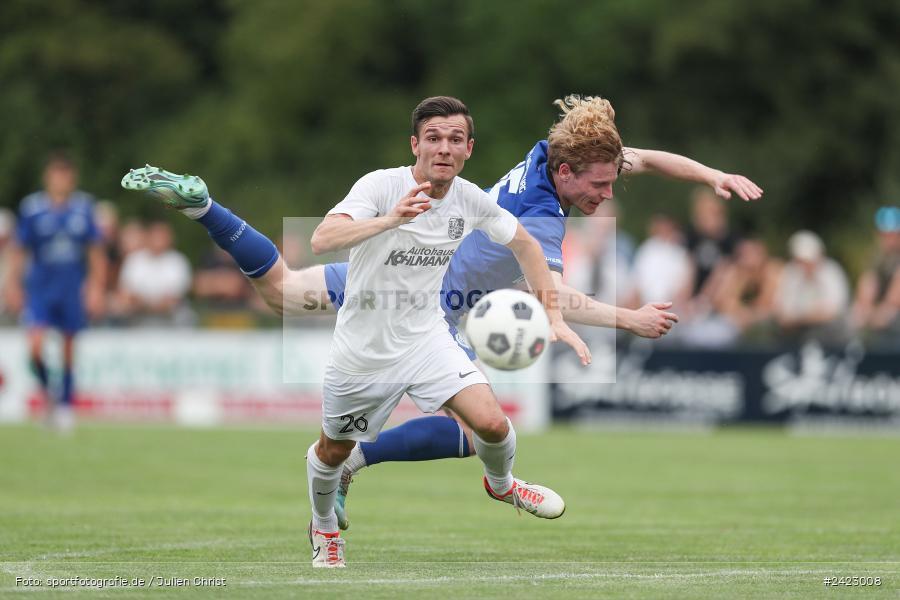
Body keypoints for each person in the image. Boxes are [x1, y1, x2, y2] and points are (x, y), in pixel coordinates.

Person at [122, 94, 763, 540]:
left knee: (282, 292)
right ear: (565, 173)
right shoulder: (539, 213)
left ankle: (206, 207)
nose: (605, 193)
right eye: (597, 186)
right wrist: (633, 320)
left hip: (392, 275)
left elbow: (642, 158)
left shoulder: (554, 155)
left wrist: (711, 175)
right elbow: (558, 296)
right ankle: (371, 466)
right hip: (430, 303)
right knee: (469, 433)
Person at [123, 96, 591, 569]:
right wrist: (392, 219)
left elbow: (526, 245)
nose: (443, 148)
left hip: (426, 337)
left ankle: (503, 484)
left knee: (491, 423)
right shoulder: (381, 186)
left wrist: (553, 316)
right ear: (415, 145)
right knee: (331, 452)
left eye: (454, 139)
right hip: (362, 350)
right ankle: (324, 526)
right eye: (433, 138)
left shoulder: (472, 199)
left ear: (469, 148)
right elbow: (323, 238)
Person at [3, 153, 106, 431]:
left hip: (71, 287)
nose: (60, 181)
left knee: (69, 348)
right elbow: (19, 250)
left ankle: (65, 406)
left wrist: (96, 287)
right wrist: (12, 285)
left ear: (72, 179)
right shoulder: (33, 209)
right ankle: (50, 392)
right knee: (35, 347)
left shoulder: (84, 208)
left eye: (65, 175)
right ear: (47, 178)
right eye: (56, 175)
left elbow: (96, 251)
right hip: (40, 289)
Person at [773, 230, 850, 345]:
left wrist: (800, 318)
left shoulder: (831, 272)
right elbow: (782, 312)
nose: (804, 265)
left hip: (828, 333)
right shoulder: (791, 273)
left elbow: (833, 312)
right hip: (796, 332)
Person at [850, 206, 900, 346]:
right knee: (856, 314)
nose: (889, 239)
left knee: (888, 315)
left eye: (893, 234)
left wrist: (876, 315)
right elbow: (865, 290)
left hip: (893, 312)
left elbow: (895, 299)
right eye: (884, 234)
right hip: (882, 310)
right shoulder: (876, 258)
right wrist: (865, 310)